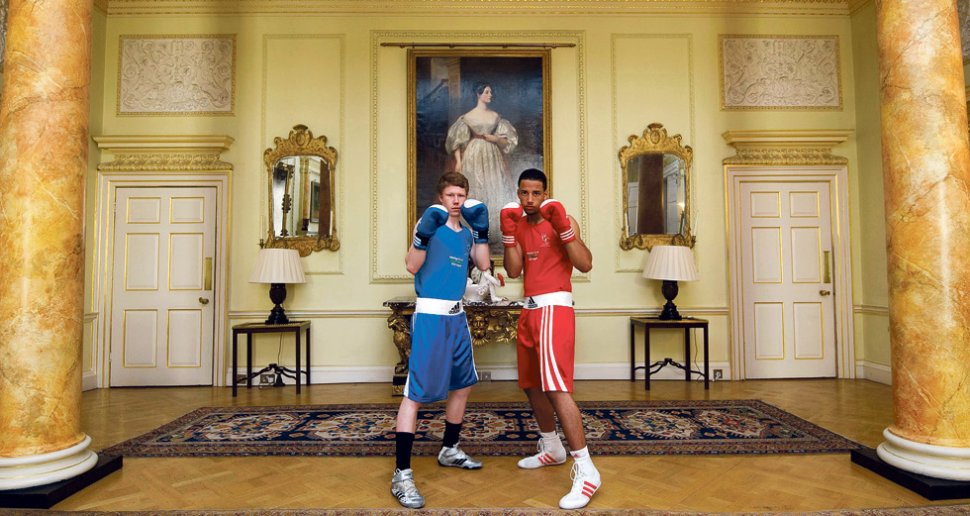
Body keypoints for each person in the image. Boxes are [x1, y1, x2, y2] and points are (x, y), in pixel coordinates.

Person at [391, 172, 492, 509]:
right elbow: (411, 266)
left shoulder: (466, 233)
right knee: (415, 394)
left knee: (462, 385)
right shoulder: (428, 225)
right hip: (431, 317)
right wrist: (422, 237)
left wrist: (482, 232)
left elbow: (483, 263)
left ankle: (449, 448)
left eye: (461, 195)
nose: (456, 201)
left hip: (457, 317)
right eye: (450, 195)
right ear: (440, 197)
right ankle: (401, 474)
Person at [501, 168, 601, 510]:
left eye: (536, 193)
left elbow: (585, 264)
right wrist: (508, 237)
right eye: (524, 193)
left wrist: (566, 231)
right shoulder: (518, 225)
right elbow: (514, 271)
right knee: (531, 384)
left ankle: (586, 470)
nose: (529, 199)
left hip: (554, 310)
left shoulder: (562, 219)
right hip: (529, 310)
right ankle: (552, 446)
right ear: (518, 193)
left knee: (557, 388)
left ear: (546, 194)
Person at [445, 82, 519, 251]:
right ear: (478, 94)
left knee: (493, 187)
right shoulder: (467, 118)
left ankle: (492, 233)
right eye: (486, 92)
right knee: (476, 187)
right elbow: (457, 142)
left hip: (492, 155)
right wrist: (459, 162)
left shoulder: (495, 117)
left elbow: (507, 140)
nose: (490, 95)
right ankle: (471, 233)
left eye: (490, 92)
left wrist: (496, 139)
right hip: (473, 155)